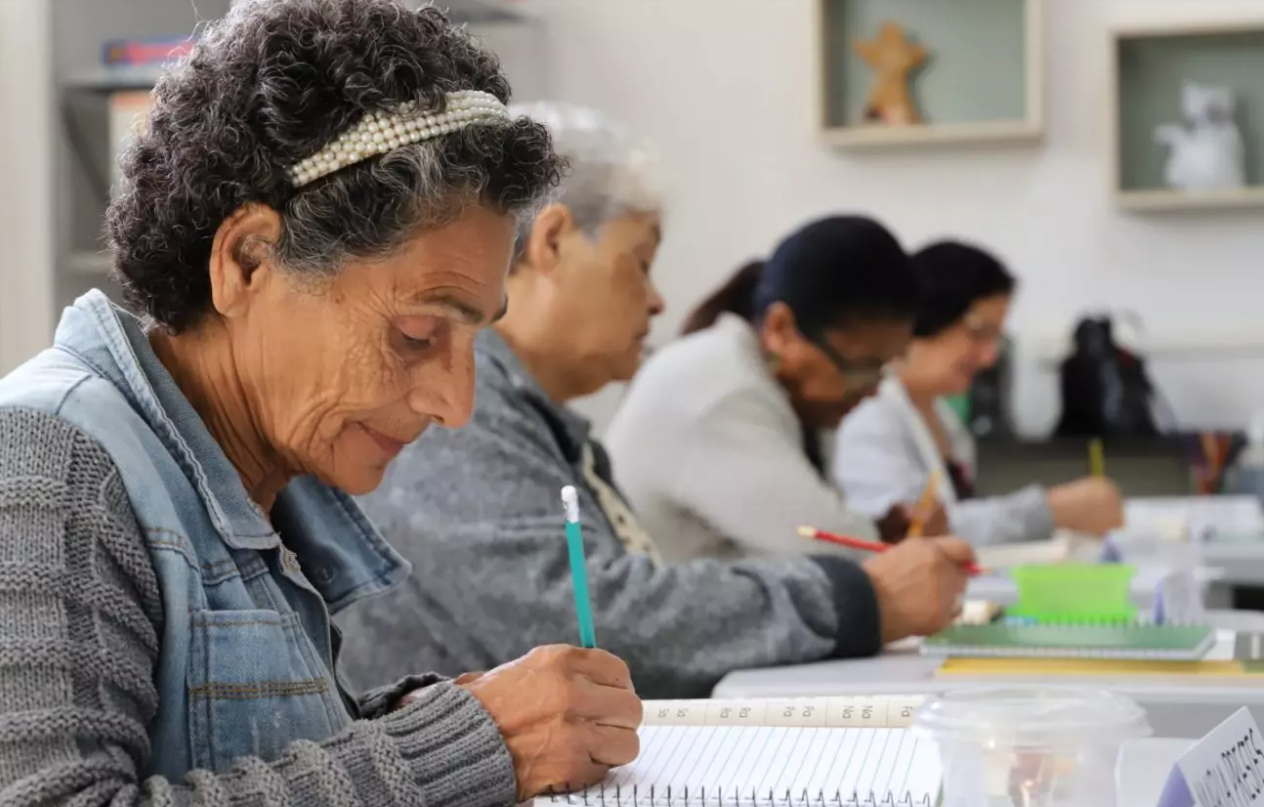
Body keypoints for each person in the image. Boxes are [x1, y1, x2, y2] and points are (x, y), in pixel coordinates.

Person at [0, 4, 643, 807]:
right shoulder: (50, 458)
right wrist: (467, 741)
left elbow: (235, 760)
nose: (456, 404)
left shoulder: (263, 485)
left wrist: (451, 719)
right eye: (417, 334)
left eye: (474, 340)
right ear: (247, 261)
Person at [338, 111, 975, 701]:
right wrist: (858, 600)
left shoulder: (531, 415)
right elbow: (597, 623)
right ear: (552, 242)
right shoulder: (461, 414)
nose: (657, 301)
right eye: (639, 263)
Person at [604, 215, 949, 563]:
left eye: (883, 369)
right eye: (860, 368)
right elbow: (830, 552)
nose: (872, 391)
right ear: (781, 328)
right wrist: (882, 541)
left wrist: (883, 529)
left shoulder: (767, 383)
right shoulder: (720, 390)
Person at [834, 240, 1124, 545]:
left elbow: (951, 518)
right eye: (977, 333)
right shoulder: (867, 416)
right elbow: (906, 531)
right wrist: (1050, 511)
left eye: (995, 337)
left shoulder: (939, 413)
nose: (990, 357)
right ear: (923, 317)